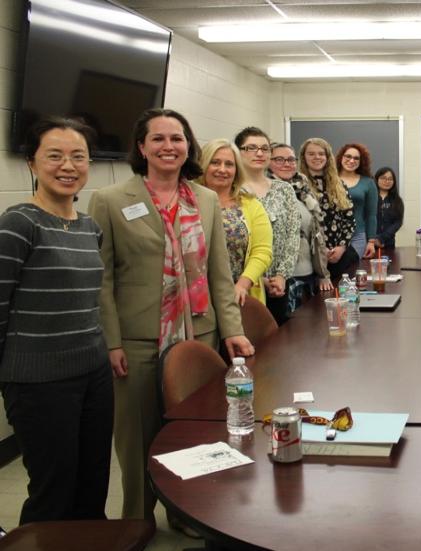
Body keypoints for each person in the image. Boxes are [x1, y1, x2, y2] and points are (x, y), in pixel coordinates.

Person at [88, 108, 253, 522]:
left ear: (188, 146)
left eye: (176, 138)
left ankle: (191, 516)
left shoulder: (206, 199)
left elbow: (219, 272)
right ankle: (137, 522)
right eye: (157, 139)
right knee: (137, 438)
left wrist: (231, 329)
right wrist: (111, 341)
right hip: (138, 341)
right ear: (141, 147)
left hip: (199, 336)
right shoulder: (110, 200)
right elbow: (102, 280)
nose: (168, 146)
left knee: (195, 435)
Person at [0, 118, 112, 524]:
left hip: (93, 374)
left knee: (92, 485)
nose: (68, 165)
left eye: (78, 156)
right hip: (38, 381)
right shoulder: (18, 224)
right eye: (55, 156)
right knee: (53, 493)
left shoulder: (88, 227)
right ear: (31, 163)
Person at [235, 127, 300, 324]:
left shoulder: (284, 189)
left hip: (278, 285)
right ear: (238, 152)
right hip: (244, 285)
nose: (260, 153)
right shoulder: (233, 191)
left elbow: (293, 236)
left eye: (265, 148)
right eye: (251, 148)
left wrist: (281, 276)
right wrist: (255, 279)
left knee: (277, 345)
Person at [198, 139, 273, 306]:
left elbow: (262, 251)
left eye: (229, 164)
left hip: (240, 296)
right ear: (203, 165)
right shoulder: (188, 200)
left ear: (236, 170)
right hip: (198, 297)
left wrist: (242, 285)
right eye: (215, 162)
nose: (222, 169)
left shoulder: (251, 204)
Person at [270, 142, 333, 306]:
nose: (287, 164)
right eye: (279, 159)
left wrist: (322, 274)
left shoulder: (301, 185)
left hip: (307, 271)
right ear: (268, 162)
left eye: (291, 159)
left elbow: (316, 233)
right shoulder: (266, 191)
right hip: (280, 276)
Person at [298, 137, 357, 280]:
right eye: (311, 154)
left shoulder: (339, 184)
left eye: (321, 153)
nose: (317, 157)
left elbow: (349, 220)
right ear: (303, 157)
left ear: (327, 157)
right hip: (311, 259)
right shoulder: (297, 185)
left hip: (340, 255)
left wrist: (341, 247)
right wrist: (320, 250)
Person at [336, 143, 378, 258]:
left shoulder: (368, 183)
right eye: (348, 156)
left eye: (356, 158)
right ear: (341, 158)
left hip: (357, 237)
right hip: (332, 236)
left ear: (361, 161)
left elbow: (371, 215)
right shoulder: (330, 180)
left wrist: (371, 241)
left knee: (354, 272)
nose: (351, 160)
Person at [375, 166, 404, 249]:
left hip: (389, 243)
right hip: (370, 244)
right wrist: (374, 239)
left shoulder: (397, 200)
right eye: (383, 178)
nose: (387, 181)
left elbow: (398, 222)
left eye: (390, 179)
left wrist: (382, 239)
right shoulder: (370, 198)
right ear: (377, 179)